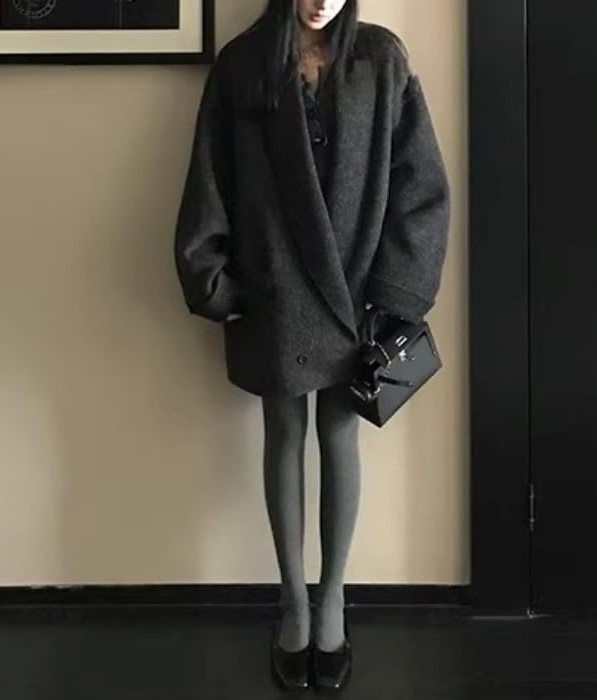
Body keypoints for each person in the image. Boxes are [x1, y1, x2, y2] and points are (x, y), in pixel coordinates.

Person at [173, 0, 450, 692]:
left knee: (339, 433)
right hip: (273, 286)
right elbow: (211, 174)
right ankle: (293, 600)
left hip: (356, 289)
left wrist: (398, 291)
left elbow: (420, 182)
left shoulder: (381, 60)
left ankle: (334, 600)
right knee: (284, 432)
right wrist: (215, 281)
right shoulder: (243, 64)